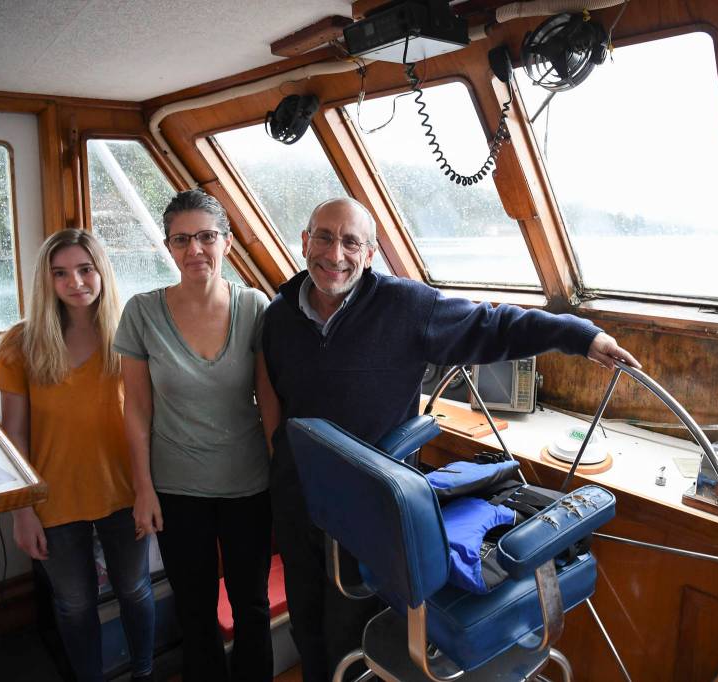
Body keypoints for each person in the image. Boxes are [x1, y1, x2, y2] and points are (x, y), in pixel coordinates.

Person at [260, 197, 641, 682]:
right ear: (305, 241)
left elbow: (494, 325)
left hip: (368, 509)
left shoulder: (407, 307)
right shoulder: (279, 316)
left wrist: (580, 335)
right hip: (297, 497)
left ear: (370, 254)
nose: (336, 254)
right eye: (325, 237)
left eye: (351, 242)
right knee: (306, 619)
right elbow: (275, 397)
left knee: (349, 629)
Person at [114, 189, 275, 682]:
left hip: (249, 484)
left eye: (206, 236)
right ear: (168, 246)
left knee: (251, 605)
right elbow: (136, 409)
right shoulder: (141, 313)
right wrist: (143, 490)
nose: (195, 249)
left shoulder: (254, 306)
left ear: (227, 242)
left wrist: (283, 476)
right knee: (195, 608)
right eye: (181, 240)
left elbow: (269, 401)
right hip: (177, 487)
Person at [0, 229, 154, 682]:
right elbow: (14, 433)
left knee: (134, 589)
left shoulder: (128, 334)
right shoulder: (21, 343)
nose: (76, 282)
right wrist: (22, 511)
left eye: (85, 269)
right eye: (60, 273)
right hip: (54, 499)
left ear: (102, 271)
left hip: (124, 492)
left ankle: (144, 673)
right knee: (74, 603)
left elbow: (146, 417)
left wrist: (148, 491)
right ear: (46, 280)